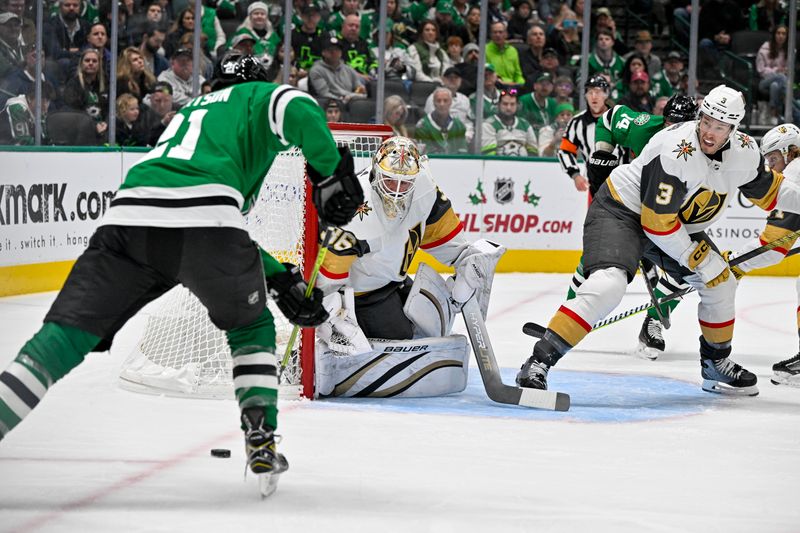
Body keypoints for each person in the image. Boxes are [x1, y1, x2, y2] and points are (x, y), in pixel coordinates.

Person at [0, 52, 365, 496]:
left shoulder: (190, 112)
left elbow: (206, 221)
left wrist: (278, 276)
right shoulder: (257, 97)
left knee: (64, 336)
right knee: (250, 325)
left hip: (128, 219)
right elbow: (294, 105)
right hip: (206, 224)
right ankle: (262, 434)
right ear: (256, 82)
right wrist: (328, 173)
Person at [516, 85, 800, 398]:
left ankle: (715, 363)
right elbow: (655, 223)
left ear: (733, 129)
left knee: (722, 283)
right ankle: (538, 361)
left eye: (719, 128)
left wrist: (705, 264)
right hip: (623, 212)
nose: (709, 133)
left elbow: (774, 191)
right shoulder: (677, 148)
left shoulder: (745, 152)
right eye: (705, 122)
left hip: (673, 222)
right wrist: (699, 259)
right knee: (609, 285)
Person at [313, 136, 503, 397]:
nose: (397, 190)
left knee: (434, 321)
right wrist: (332, 312)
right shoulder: (353, 207)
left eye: (406, 183)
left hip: (395, 281)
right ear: (376, 172)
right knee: (400, 334)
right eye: (391, 180)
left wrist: (467, 265)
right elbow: (328, 276)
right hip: (360, 295)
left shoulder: (424, 189)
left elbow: (446, 240)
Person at [580, 94, 699, 357]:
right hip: (632, 204)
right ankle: (571, 314)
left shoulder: (702, 148)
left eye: (682, 124)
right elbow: (610, 118)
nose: (674, 130)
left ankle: (653, 322)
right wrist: (602, 151)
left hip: (670, 213)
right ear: (663, 120)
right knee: (599, 261)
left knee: (692, 267)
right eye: (670, 122)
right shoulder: (644, 126)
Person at [732, 123, 800, 387]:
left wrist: (733, 264)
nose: (770, 167)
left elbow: (772, 247)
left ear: (789, 152)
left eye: (773, 159)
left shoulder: (794, 174)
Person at [558, 74, 619, 195]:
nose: (594, 97)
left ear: (606, 94)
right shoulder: (577, 122)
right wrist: (575, 175)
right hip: (593, 183)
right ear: (585, 96)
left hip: (620, 180)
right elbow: (565, 151)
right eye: (590, 92)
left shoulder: (619, 118)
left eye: (598, 92)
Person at [62, 47, 109, 140]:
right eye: (87, 60)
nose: (91, 63)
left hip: (104, 129)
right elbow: (73, 112)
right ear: (81, 64)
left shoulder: (106, 83)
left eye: (94, 61)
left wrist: (107, 123)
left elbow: (110, 110)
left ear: (99, 65)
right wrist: (93, 125)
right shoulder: (73, 84)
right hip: (80, 132)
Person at [308, 37, 366, 104]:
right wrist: (341, 100)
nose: (334, 52)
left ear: (341, 53)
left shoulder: (348, 69)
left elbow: (360, 89)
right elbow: (324, 94)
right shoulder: (316, 70)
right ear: (323, 52)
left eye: (337, 50)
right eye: (330, 50)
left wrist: (356, 94)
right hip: (329, 105)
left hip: (351, 102)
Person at [481, 89, 537, 156]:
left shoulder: (525, 125)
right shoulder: (488, 125)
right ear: (498, 105)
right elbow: (489, 155)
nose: (508, 108)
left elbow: (534, 152)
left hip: (523, 165)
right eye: (505, 104)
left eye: (512, 104)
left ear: (517, 106)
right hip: (498, 165)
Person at [415, 87, 469, 154]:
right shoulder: (423, 126)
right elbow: (425, 154)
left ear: (451, 102)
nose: (442, 104)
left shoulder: (458, 126)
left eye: (445, 100)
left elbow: (462, 153)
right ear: (433, 103)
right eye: (438, 101)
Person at [756, 24, 788, 126]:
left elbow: (790, 69)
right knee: (780, 77)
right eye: (778, 33)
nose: (781, 36)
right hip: (764, 82)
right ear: (774, 35)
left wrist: (784, 71)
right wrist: (776, 70)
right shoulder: (765, 49)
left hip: (779, 83)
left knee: (775, 85)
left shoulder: (789, 50)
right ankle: (790, 106)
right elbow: (760, 70)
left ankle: (774, 113)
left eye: (783, 33)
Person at [407, 20, 450, 84]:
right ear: (422, 33)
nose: (430, 32)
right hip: (421, 86)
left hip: (440, 86)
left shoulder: (441, 52)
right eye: (427, 30)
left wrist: (441, 82)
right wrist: (432, 83)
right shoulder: (414, 48)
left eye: (433, 30)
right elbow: (417, 73)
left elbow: (446, 72)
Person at [484, 21, 524, 90]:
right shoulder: (484, 50)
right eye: (495, 32)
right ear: (490, 35)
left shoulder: (513, 51)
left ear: (506, 34)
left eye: (500, 32)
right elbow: (487, 75)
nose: (498, 35)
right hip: (495, 88)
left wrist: (520, 83)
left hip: (512, 89)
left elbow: (518, 75)